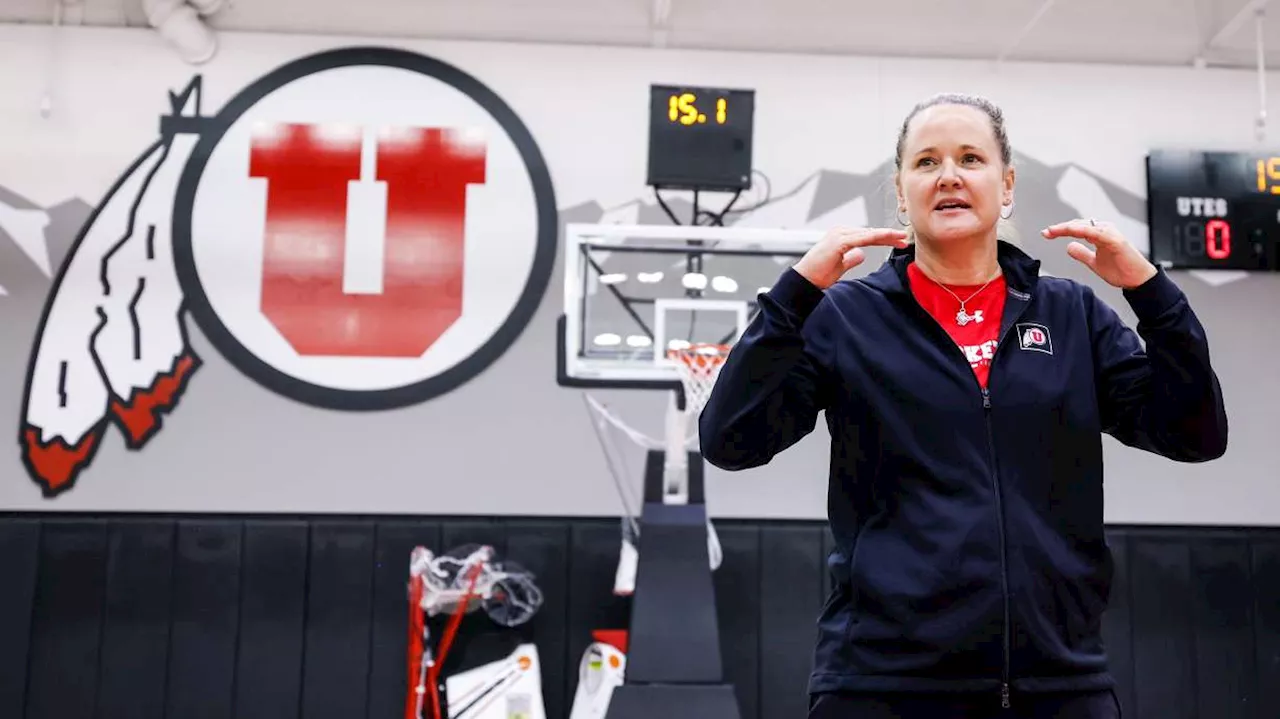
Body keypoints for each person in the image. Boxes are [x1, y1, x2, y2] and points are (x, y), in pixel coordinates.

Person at [698, 93, 1228, 719]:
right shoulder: (844, 316)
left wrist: (1151, 293)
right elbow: (730, 440)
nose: (948, 175)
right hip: (878, 687)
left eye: (970, 158)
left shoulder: (1074, 315)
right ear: (901, 192)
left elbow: (1196, 434)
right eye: (926, 162)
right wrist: (789, 299)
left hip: (1060, 684)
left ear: (1005, 186)